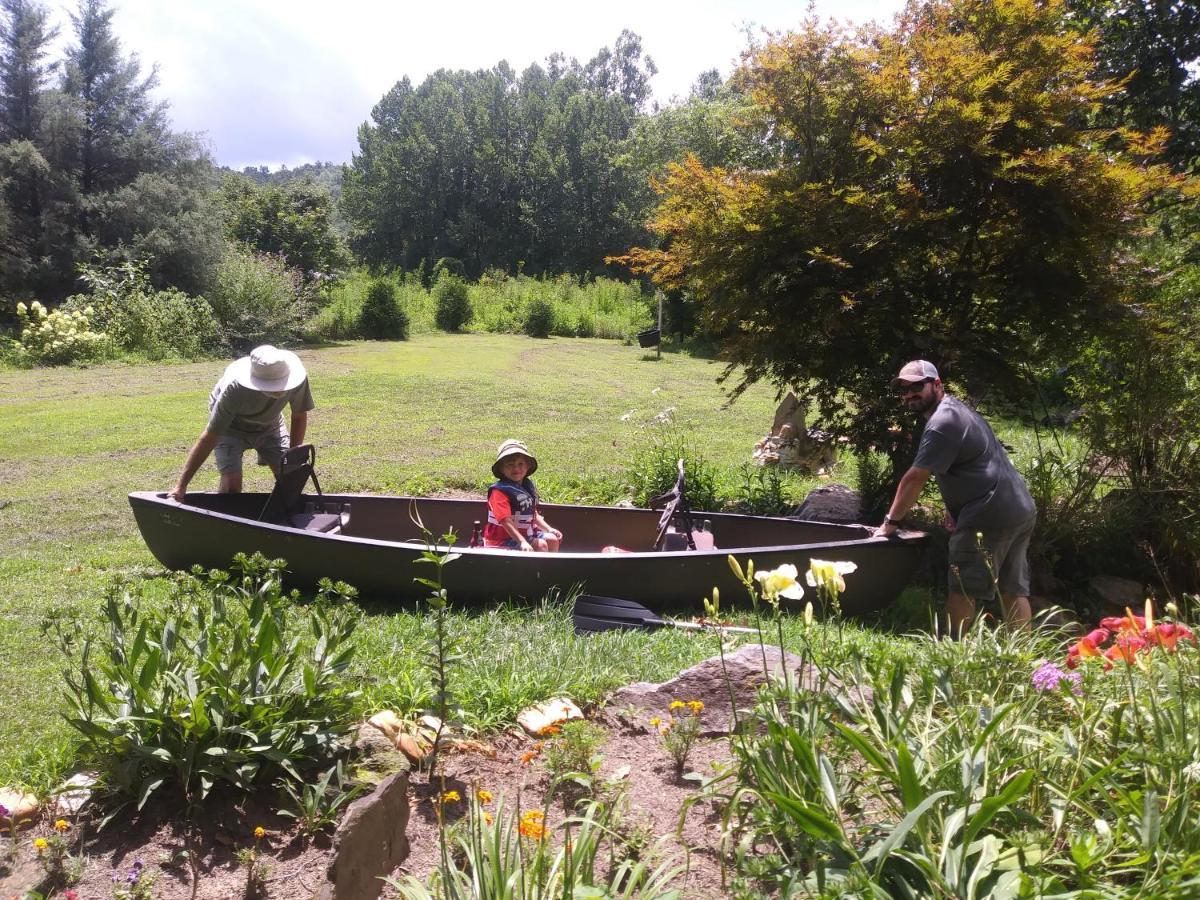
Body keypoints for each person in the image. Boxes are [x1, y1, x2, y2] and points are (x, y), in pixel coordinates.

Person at [874, 360, 1036, 632]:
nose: (910, 393)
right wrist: (955, 508)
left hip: (989, 514)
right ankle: (1024, 658)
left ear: (937, 384)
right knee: (1012, 589)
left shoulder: (942, 422)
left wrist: (891, 522)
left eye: (917, 385)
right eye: (904, 389)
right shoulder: (958, 410)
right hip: (1018, 508)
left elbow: (916, 478)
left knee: (962, 588)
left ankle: (951, 658)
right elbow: (976, 462)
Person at [169, 345, 314, 502]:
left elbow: (299, 416)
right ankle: (228, 522)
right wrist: (181, 485)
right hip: (231, 427)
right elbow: (211, 436)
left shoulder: (297, 378)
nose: (279, 390)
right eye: (272, 386)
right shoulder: (234, 390)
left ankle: (281, 521)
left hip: (270, 423)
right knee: (231, 486)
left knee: (290, 480)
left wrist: (291, 459)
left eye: (281, 384)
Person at [483, 439, 562, 551]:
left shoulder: (525, 487)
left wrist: (548, 529)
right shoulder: (499, 492)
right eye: (510, 464)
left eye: (520, 464)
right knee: (541, 545)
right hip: (500, 541)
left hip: (524, 536)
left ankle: (551, 567)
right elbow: (505, 521)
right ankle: (538, 568)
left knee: (552, 539)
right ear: (501, 468)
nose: (516, 468)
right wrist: (522, 542)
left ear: (528, 466)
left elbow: (532, 514)